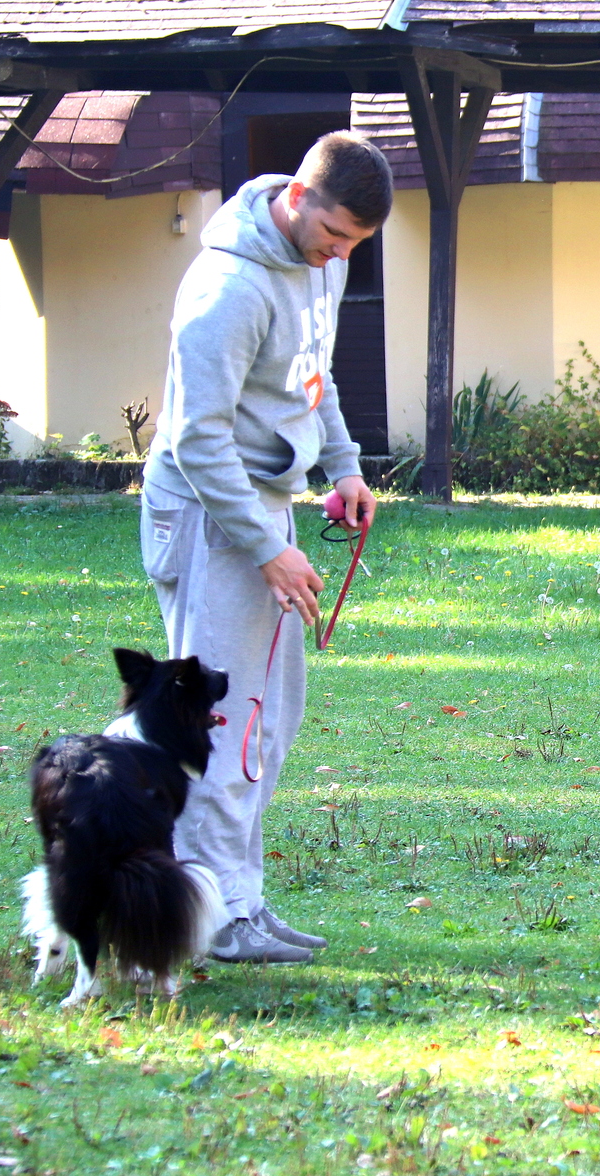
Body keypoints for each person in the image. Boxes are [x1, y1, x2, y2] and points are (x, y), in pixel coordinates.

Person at [138, 132, 388, 961]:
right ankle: (208, 916)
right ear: (298, 198)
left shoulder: (321, 262)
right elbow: (196, 439)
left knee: (267, 722)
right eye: (336, 235)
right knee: (220, 721)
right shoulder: (228, 289)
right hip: (209, 516)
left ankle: (238, 900)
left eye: (355, 244)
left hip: (263, 509)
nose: (340, 256)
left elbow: (315, 374)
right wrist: (265, 548)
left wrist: (344, 465)